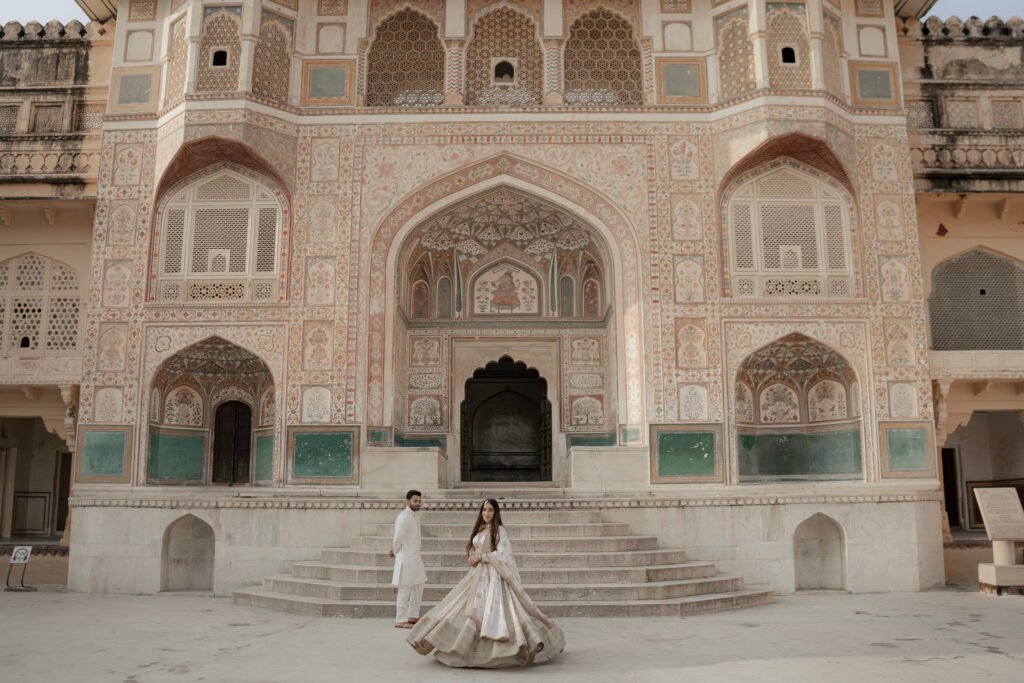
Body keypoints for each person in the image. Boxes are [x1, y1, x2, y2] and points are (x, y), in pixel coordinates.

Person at [407, 499, 565, 668]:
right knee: (461, 608)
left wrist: (482, 557)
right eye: (484, 510)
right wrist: (473, 557)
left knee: (492, 612)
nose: (486, 513)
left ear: (496, 513)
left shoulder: (500, 530)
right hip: (477, 576)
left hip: (494, 578)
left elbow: (504, 555)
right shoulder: (481, 529)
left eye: (490, 510)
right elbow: (476, 550)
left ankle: (502, 651)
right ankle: (466, 649)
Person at [391, 490, 426, 629]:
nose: (418, 503)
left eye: (419, 501)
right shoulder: (404, 517)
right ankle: (400, 619)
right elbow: (398, 537)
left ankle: (412, 615)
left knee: (419, 584)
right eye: (415, 501)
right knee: (405, 588)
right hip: (406, 558)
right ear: (408, 502)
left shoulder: (415, 516)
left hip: (416, 557)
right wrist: (394, 550)